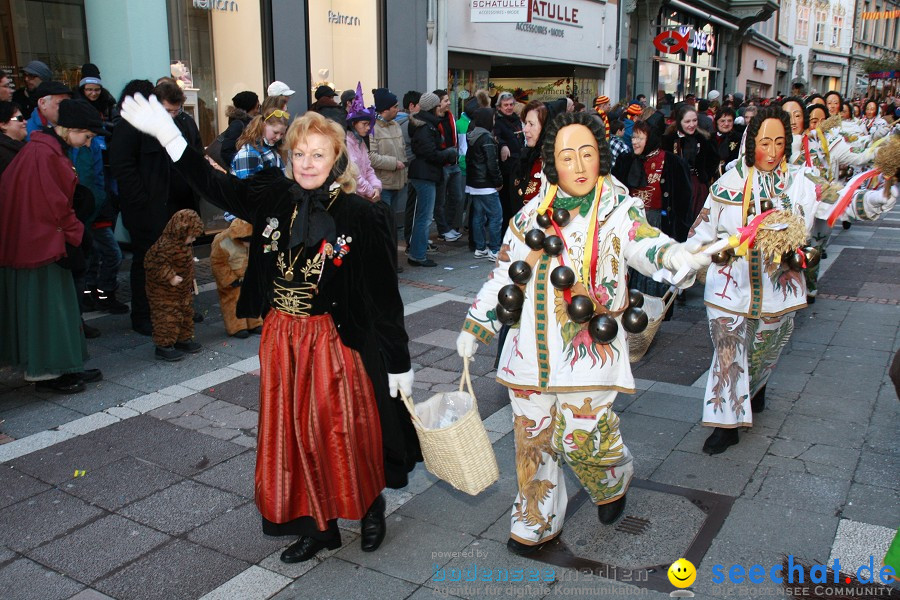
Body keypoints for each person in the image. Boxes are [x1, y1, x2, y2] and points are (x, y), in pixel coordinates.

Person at [120, 94, 420, 562]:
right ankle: (317, 525)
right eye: (298, 153)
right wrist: (170, 137)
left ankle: (369, 506)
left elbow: (384, 297)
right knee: (295, 434)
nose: (306, 163)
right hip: (283, 336)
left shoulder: (363, 216)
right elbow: (216, 187)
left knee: (345, 430)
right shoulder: (272, 196)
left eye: (317, 154)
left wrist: (398, 362)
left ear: (336, 157)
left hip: (336, 341)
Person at [456, 111, 710, 556]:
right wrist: (477, 325)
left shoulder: (619, 211)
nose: (577, 165)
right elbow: (503, 277)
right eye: (566, 156)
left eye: (587, 154)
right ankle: (535, 520)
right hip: (527, 354)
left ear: (601, 159)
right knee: (532, 438)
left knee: (584, 439)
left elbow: (646, 243)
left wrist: (678, 257)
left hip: (585, 352)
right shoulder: (528, 217)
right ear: (552, 162)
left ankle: (613, 479)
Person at [687, 106, 897, 455]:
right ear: (751, 141)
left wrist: (880, 196)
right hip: (729, 288)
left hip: (778, 291)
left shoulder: (803, 182)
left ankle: (756, 388)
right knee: (728, 355)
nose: (771, 151)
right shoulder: (728, 184)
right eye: (764, 142)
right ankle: (726, 424)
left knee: (765, 350)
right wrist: (683, 264)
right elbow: (701, 231)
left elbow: (843, 201)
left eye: (779, 143)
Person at [0, 99, 106, 393]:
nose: (87, 144)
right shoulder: (44, 154)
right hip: (42, 246)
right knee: (51, 310)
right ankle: (50, 374)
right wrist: (77, 234)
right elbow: (53, 205)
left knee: (61, 308)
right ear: (70, 129)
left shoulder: (44, 149)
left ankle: (66, 367)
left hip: (44, 242)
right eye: (86, 137)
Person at [611, 120, 693, 299]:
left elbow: (683, 199)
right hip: (630, 222)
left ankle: (651, 316)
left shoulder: (672, 162)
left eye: (640, 138)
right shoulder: (626, 160)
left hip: (657, 222)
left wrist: (680, 232)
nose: (635, 142)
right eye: (633, 137)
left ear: (651, 139)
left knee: (652, 272)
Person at [145, 209, 204, 361]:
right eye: (191, 237)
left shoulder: (183, 246)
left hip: (182, 290)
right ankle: (163, 346)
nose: (192, 240)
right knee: (167, 317)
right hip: (163, 292)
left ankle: (183, 339)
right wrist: (170, 276)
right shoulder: (164, 245)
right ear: (181, 232)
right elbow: (154, 263)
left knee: (185, 314)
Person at [407, 92, 457, 267]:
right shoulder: (425, 127)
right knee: (424, 217)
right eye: (438, 106)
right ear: (432, 108)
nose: (442, 108)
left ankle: (417, 252)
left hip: (425, 173)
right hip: (424, 174)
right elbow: (429, 153)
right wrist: (447, 153)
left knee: (423, 216)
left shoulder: (426, 125)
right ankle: (418, 254)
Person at [368, 87, 408, 263]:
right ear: (385, 109)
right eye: (395, 106)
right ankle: (384, 261)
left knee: (393, 225)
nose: (398, 109)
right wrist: (394, 163)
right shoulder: (372, 128)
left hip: (398, 182)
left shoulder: (396, 125)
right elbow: (371, 157)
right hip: (383, 184)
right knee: (383, 226)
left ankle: (391, 260)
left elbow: (403, 150)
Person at [662, 104, 719, 217]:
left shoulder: (703, 139)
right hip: (675, 186)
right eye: (687, 121)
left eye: (694, 120)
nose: (692, 125)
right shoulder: (669, 140)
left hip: (696, 185)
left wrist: (704, 175)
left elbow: (713, 159)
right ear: (679, 122)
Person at [210, 218, 262, 338]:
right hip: (232, 278)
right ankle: (237, 327)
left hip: (248, 276)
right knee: (232, 301)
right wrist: (230, 279)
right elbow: (217, 263)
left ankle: (254, 322)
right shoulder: (222, 240)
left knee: (252, 298)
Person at [465, 107, 503, 260]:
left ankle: (480, 247)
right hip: (486, 185)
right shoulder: (487, 138)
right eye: (493, 119)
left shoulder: (473, 136)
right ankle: (494, 249)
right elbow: (492, 163)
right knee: (496, 216)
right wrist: (498, 181)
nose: (494, 121)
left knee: (478, 216)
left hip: (474, 184)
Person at [433, 89, 464, 242]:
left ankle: (450, 227)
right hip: (442, 164)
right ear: (438, 102)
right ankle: (443, 230)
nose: (449, 103)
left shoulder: (450, 116)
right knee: (440, 201)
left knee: (457, 197)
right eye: (446, 100)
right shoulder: (433, 119)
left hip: (454, 163)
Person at [344, 84, 381, 202]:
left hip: (364, 197)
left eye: (368, 124)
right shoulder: (347, 143)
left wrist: (376, 187)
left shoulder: (361, 143)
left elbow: (368, 168)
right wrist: (370, 192)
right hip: (353, 198)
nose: (368, 128)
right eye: (364, 124)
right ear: (354, 124)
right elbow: (354, 175)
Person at [230, 107, 288, 179]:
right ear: (264, 125)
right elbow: (248, 187)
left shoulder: (271, 150)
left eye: (282, 134)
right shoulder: (248, 153)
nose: (278, 137)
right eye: (275, 132)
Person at [495, 91, 526, 224]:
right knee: (506, 202)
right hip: (506, 167)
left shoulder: (516, 119)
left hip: (517, 164)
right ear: (499, 107)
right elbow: (496, 136)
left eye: (511, 104)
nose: (509, 107)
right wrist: (502, 145)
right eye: (505, 105)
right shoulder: (497, 121)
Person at [221, 91, 261, 170]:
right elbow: (226, 151)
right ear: (249, 107)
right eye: (257, 107)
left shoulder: (251, 122)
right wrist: (240, 162)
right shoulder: (238, 125)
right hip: (242, 169)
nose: (258, 111)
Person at [713, 107, 742, 171]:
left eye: (729, 121)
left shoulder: (739, 138)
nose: (726, 124)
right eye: (722, 121)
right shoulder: (709, 138)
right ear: (717, 122)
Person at [0, 101, 26, 174]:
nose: (25, 122)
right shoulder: (2, 155)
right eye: (20, 119)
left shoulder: (24, 146)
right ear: (3, 125)